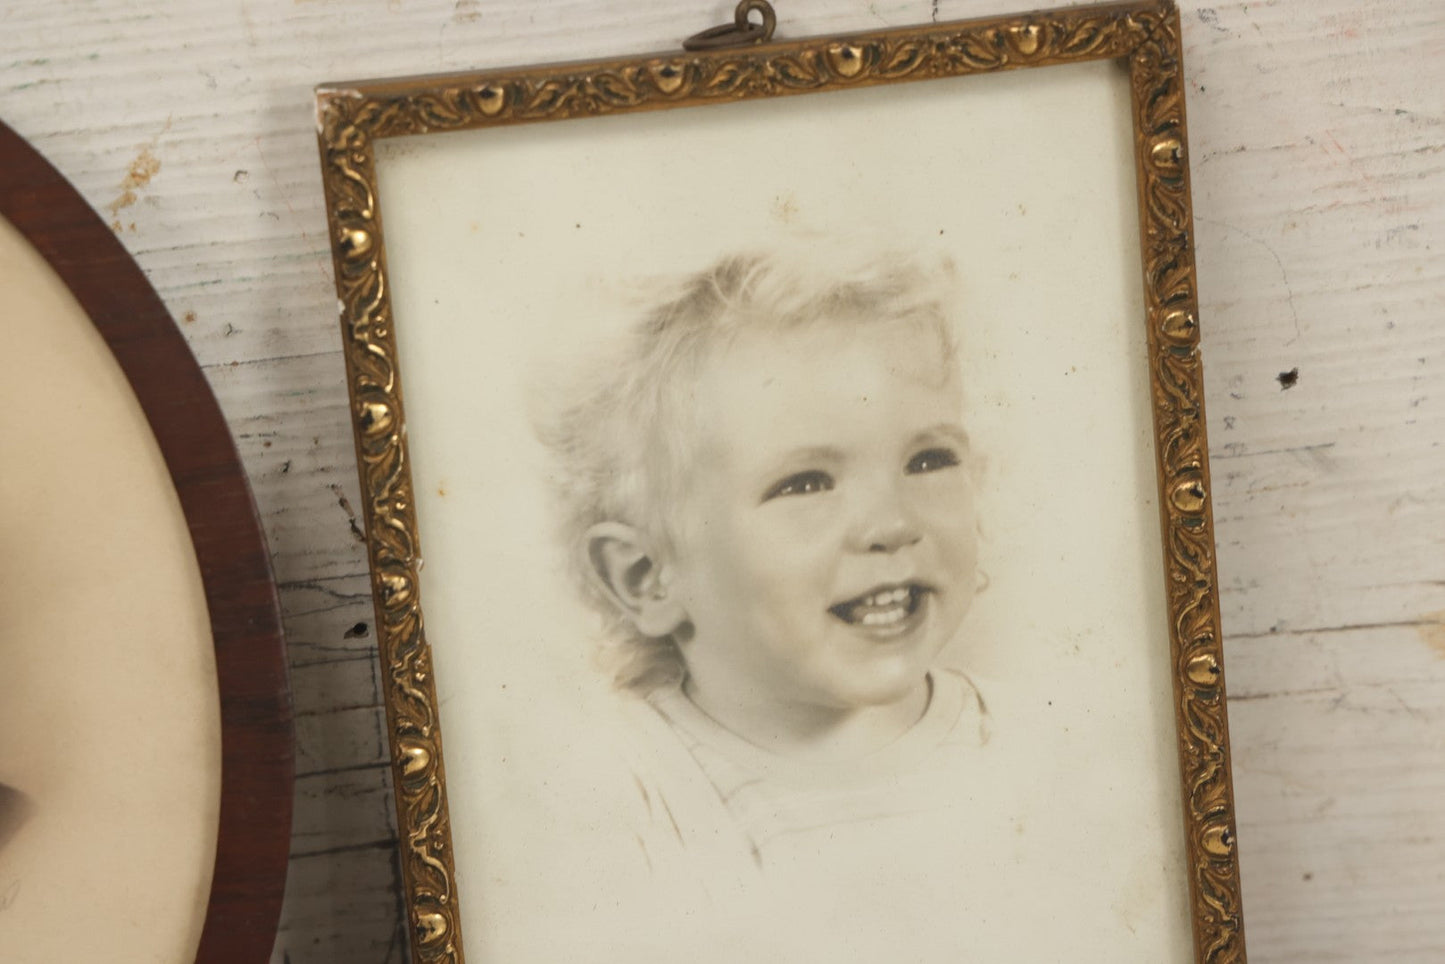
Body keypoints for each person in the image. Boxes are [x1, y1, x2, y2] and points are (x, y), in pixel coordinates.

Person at [534, 247, 1012, 959]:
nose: (890, 523)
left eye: (927, 461)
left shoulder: (1030, 748)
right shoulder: (625, 800)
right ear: (646, 578)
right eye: (807, 482)